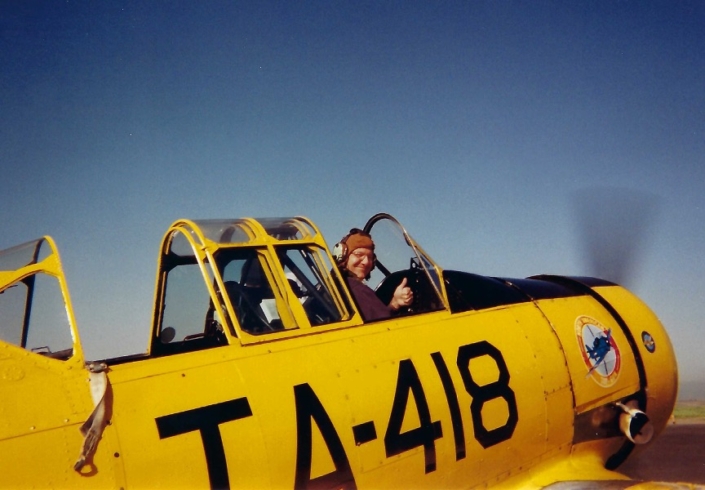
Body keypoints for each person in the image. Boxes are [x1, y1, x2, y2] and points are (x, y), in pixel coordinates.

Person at [333, 228, 413, 321]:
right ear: (343, 257)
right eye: (359, 255)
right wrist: (395, 304)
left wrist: (395, 303)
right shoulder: (356, 289)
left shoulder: (338, 284)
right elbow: (384, 324)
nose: (366, 262)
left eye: (370, 257)